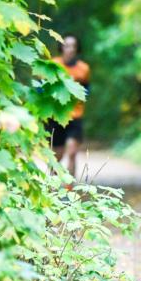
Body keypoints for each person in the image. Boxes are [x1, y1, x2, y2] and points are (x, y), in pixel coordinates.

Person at [48, 34, 90, 179]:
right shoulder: (53, 65)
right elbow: (44, 88)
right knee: (56, 156)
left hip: (75, 115)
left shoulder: (83, 69)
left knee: (72, 153)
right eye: (66, 45)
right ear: (61, 47)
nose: (70, 49)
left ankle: (70, 190)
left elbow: (86, 90)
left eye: (73, 46)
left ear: (77, 49)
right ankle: (52, 188)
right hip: (56, 116)